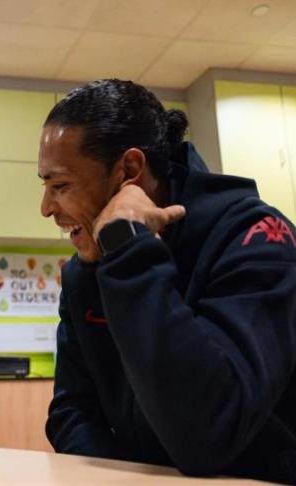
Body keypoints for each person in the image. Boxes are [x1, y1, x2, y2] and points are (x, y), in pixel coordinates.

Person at [40, 79, 296, 483]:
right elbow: (70, 413)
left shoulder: (256, 237)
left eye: (61, 186)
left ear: (129, 170)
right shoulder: (82, 274)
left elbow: (209, 433)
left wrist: (128, 246)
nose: (46, 208)